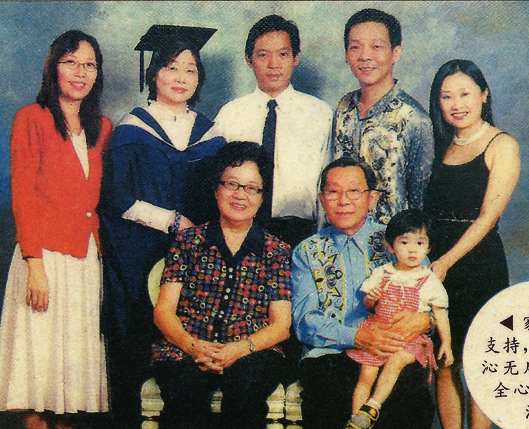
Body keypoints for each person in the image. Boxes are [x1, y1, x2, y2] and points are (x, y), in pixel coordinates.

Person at [99, 25, 225, 429]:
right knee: (134, 341)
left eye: (190, 70)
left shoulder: (210, 133)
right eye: (171, 68)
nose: (181, 77)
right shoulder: (132, 129)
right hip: (136, 253)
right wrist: (172, 221)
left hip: (192, 255)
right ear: (153, 75)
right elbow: (117, 199)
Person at [0, 30, 112, 429]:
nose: (80, 73)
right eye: (71, 62)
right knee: (39, 385)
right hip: (43, 258)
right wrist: (34, 264)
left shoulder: (103, 126)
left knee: (72, 390)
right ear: (53, 67)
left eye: (89, 65)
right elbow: (23, 196)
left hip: (84, 262)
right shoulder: (31, 118)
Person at [151, 141, 292, 429]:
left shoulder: (276, 251)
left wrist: (236, 350)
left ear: (262, 197)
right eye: (232, 184)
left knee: (246, 390)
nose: (241, 195)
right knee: (184, 395)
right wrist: (194, 347)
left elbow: (281, 326)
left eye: (252, 188)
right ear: (216, 189)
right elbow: (163, 312)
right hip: (187, 346)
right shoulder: (188, 241)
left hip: (251, 350)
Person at [292, 157, 436, 429]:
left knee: (409, 395)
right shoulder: (307, 250)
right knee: (331, 396)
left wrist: (426, 320)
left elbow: (432, 301)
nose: (343, 200)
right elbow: (304, 320)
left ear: (372, 198)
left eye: (354, 191)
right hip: (330, 354)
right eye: (333, 192)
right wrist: (356, 336)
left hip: (392, 351)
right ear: (322, 199)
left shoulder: (400, 240)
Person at [425, 59, 520, 429]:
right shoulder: (441, 145)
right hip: (435, 263)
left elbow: (486, 218)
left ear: (484, 94)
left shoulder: (502, 144)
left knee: (478, 361)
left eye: (464, 93)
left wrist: (446, 261)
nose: (456, 104)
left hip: (478, 263)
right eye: (446, 96)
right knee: (444, 360)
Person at [212, 14, 333, 247]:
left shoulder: (320, 115)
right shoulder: (230, 114)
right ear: (249, 59)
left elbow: (328, 184)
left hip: (301, 234)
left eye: (283, 54)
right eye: (263, 55)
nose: (273, 64)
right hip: (240, 231)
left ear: (296, 58)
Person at [345, 209, 452, 429]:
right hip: (381, 332)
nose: (412, 249)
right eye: (404, 243)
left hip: (409, 339)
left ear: (428, 247)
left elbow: (440, 313)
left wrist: (447, 345)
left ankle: (373, 405)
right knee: (366, 375)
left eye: (420, 243)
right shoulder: (382, 273)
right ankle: (356, 420)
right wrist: (371, 300)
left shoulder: (428, 279)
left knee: (398, 360)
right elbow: (368, 306)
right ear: (391, 247)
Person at [332, 8, 434, 225]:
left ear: (395, 53)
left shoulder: (413, 118)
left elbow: (421, 202)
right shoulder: (343, 108)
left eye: (376, 46)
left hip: (391, 247)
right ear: (346, 55)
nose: (365, 56)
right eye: (355, 47)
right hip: (339, 243)